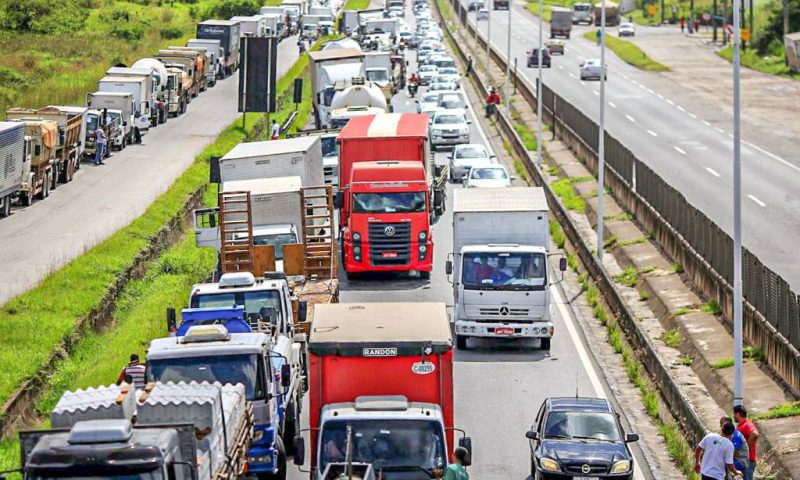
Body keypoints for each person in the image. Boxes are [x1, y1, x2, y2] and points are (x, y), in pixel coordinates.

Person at [734, 405, 759, 480]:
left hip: (748, 460)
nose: (733, 416)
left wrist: (747, 447)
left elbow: (755, 433)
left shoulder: (747, 424)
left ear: (738, 414)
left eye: (734, 414)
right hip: (744, 460)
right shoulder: (741, 425)